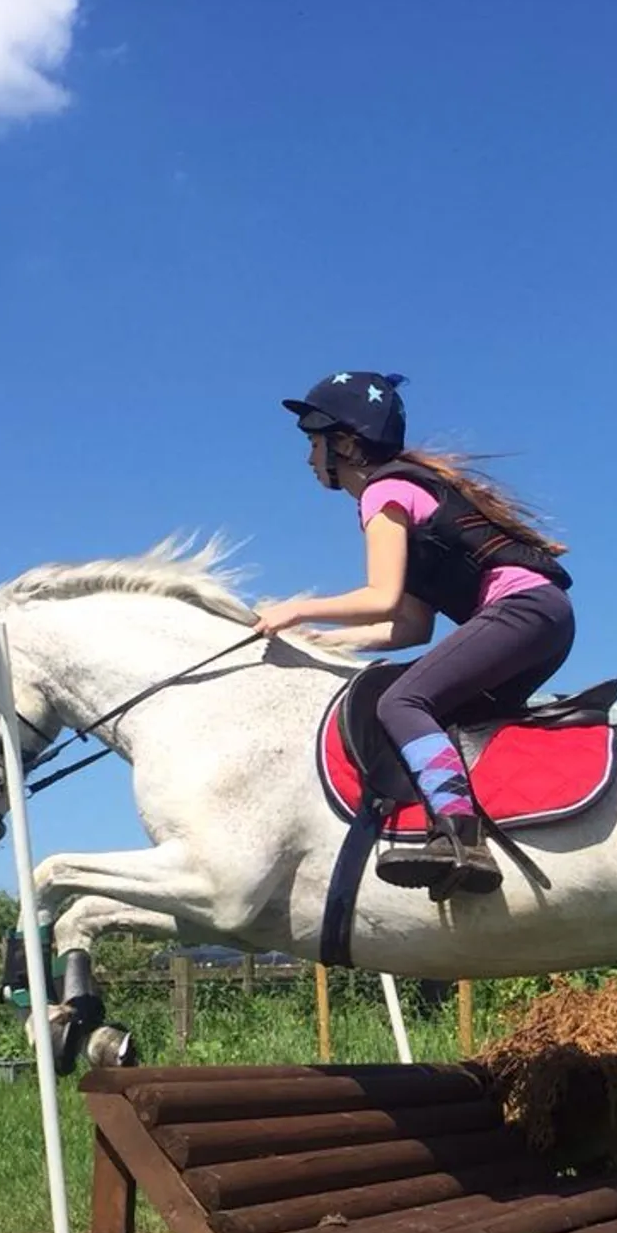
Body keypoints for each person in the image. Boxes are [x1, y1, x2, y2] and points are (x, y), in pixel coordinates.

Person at [254, 370, 575, 896]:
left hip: (522, 611)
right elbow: (407, 626)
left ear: (347, 445)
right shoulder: (411, 492)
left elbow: (379, 597)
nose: (309, 459)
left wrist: (297, 611)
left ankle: (458, 837)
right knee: (435, 709)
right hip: (541, 620)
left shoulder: (383, 493)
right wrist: (320, 646)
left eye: (314, 444)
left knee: (401, 703)